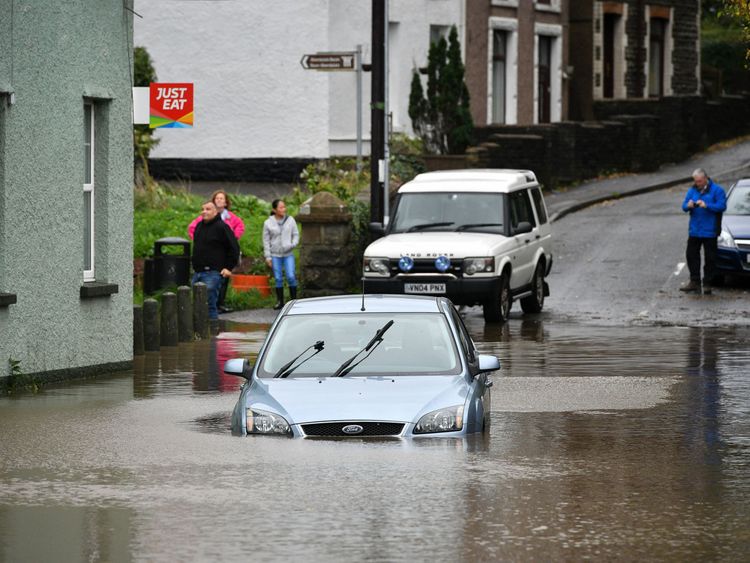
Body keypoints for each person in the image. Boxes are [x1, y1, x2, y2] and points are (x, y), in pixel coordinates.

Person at [188, 189, 245, 313]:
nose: (204, 212)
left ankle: (213, 330)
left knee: (209, 305)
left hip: (213, 271)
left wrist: (229, 267)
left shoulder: (222, 226)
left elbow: (234, 247)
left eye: (208, 209)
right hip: (198, 271)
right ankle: (199, 331)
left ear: (215, 211)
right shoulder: (199, 225)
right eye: (202, 209)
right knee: (196, 305)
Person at [680, 168, 726, 295]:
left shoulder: (717, 190)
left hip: (710, 231)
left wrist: (707, 205)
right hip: (695, 230)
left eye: (699, 181)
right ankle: (694, 282)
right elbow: (683, 206)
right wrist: (688, 205)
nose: (697, 183)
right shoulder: (692, 190)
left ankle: (707, 283)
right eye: (696, 181)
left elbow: (722, 206)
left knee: (710, 258)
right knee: (691, 255)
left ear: (706, 178)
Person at [263, 199, 300, 309]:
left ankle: (294, 301)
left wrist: (293, 244)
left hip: (288, 253)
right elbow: (266, 240)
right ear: (274, 210)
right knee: (278, 278)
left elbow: (296, 234)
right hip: (275, 254)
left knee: (291, 276)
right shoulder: (268, 223)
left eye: (284, 207)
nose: (284, 209)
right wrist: (268, 256)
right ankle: (280, 301)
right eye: (281, 207)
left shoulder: (290, 220)